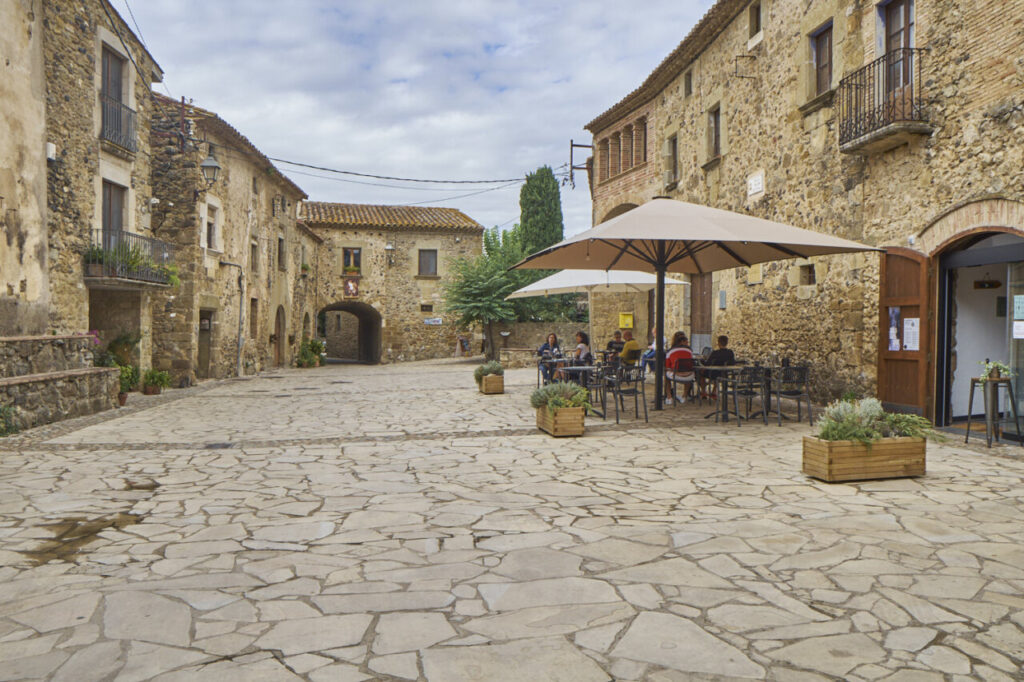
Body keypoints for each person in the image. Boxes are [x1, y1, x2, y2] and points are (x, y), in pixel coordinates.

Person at [664, 331, 695, 405]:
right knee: (688, 370)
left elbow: (667, 366)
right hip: (689, 376)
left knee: (666, 375)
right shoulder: (690, 351)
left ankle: (669, 397)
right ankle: (684, 396)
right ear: (682, 342)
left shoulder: (670, 351)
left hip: (676, 375)